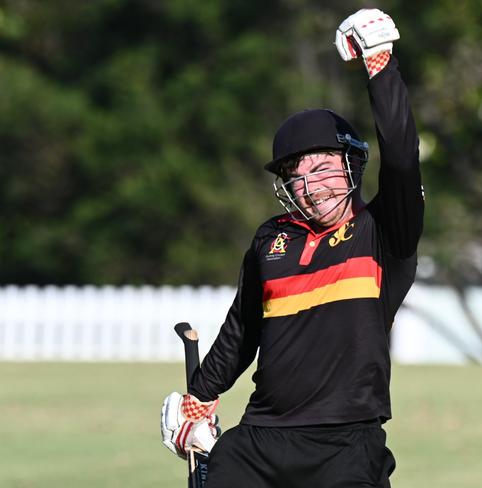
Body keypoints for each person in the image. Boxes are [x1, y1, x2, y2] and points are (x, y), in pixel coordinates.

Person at [161, 8, 424, 488]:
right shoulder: (271, 239)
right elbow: (243, 328)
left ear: (351, 167)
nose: (309, 185)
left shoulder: (383, 231)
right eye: (294, 176)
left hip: (347, 444)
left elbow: (403, 160)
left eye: (321, 168)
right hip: (260, 440)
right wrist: (199, 396)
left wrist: (380, 65)